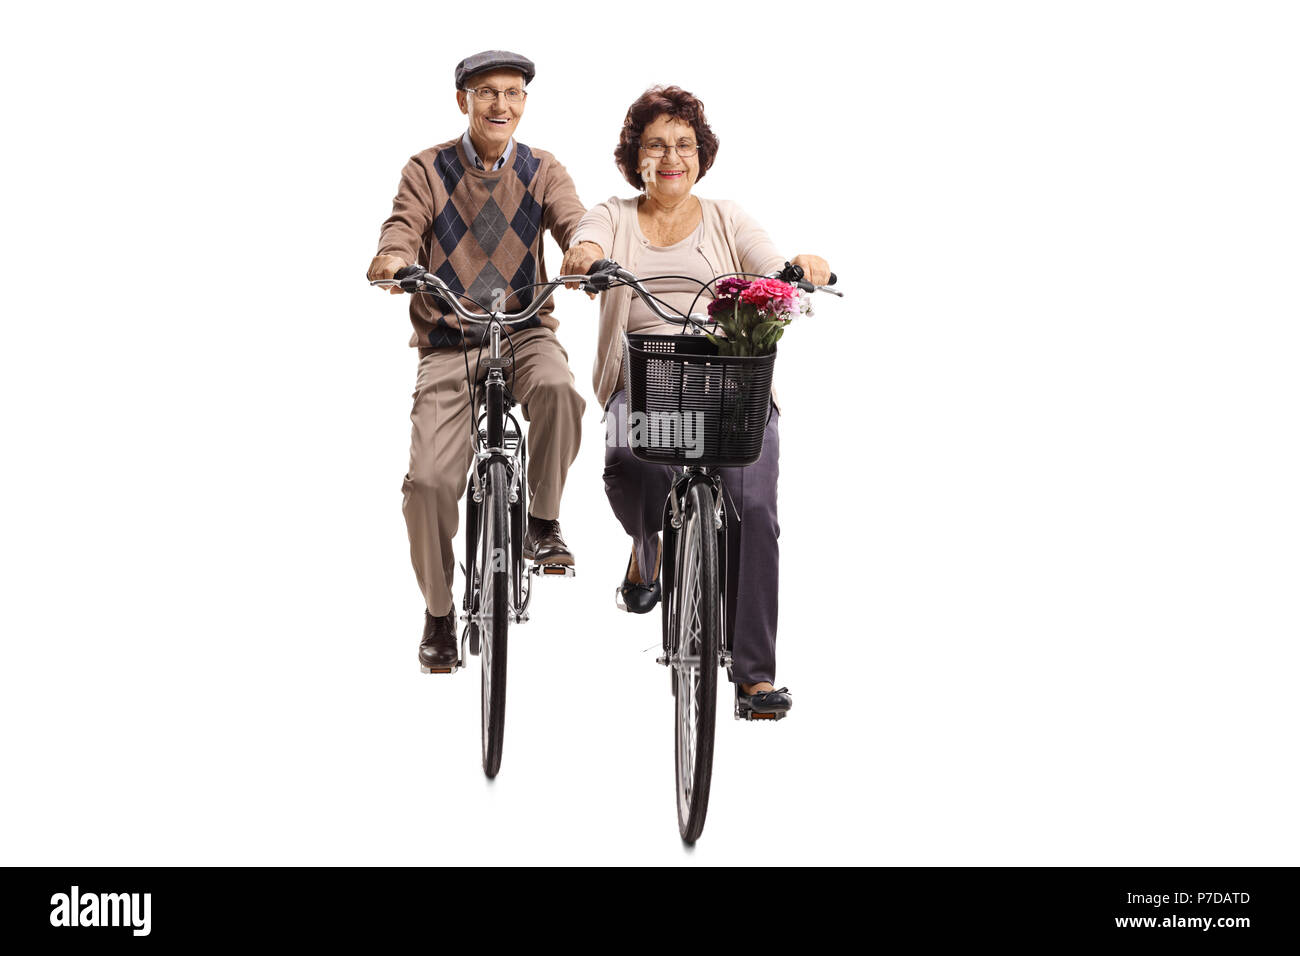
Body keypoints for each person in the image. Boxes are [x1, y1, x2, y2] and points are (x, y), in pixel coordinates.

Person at [561, 86, 830, 716]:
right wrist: (586, 258)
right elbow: (587, 243)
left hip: (732, 378)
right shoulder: (615, 213)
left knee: (754, 507)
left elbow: (769, 263)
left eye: (684, 144)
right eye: (656, 145)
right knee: (632, 461)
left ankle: (755, 677)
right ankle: (647, 550)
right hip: (646, 379)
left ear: (701, 156)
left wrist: (799, 265)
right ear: (636, 158)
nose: (671, 156)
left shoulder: (728, 217)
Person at [368, 50, 588, 671]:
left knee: (560, 390)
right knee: (430, 484)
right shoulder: (427, 168)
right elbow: (402, 227)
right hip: (449, 341)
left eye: (513, 93)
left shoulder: (542, 168)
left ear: (525, 102)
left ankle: (542, 522)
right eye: (487, 93)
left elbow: (575, 221)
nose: (501, 105)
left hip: (523, 331)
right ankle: (439, 614)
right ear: (462, 100)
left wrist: (585, 253)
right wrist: (392, 261)